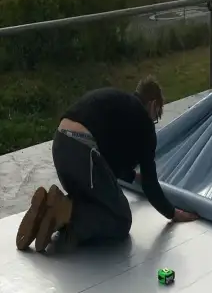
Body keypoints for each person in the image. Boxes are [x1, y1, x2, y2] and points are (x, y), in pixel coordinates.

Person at [15, 76, 198, 253]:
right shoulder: (143, 121)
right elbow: (150, 183)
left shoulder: (118, 104)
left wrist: (133, 176)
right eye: (156, 116)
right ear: (153, 105)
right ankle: (66, 212)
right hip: (82, 151)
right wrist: (172, 213)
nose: (154, 121)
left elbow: (111, 160)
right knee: (120, 219)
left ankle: (45, 216)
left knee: (91, 201)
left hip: (61, 145)